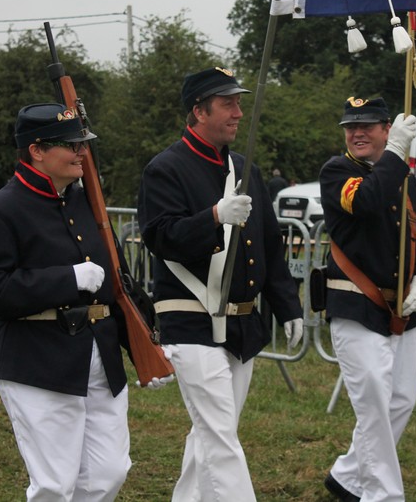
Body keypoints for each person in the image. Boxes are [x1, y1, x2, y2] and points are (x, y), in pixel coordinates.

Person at [137, 66, 304, 502]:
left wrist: (288, 307)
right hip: (190, 320)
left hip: (241, 327)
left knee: (211, 435)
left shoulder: (245, 169)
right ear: (199, 111)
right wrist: (213, 217)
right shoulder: (165, 169)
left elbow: (269, 245)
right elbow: (161, 238)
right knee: (221, 439)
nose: (238, 113)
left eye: (239, 103)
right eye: (227, 104)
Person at [0, 103, 139, 501]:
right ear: (37, 151)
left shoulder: (86, 201)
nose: (82, 152)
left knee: (109, 472)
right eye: (71, 145)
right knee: (55, 484)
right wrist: (67, 280)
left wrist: (144, 342)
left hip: (99, 354)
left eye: (82, 143)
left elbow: (119, 282)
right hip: (38, 357)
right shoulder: (3, 209)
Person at [319, 97, 416, 502]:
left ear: (386, 128)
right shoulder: (337, 171)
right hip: (357, 305)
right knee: (375, 407)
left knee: (401, 400)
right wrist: (397, 152)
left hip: (401, 309)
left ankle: (348, 477)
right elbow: (366, 202)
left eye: (367, 126)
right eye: (351, 127)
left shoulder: (406, 179)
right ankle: (382, 495)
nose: (357, 133)